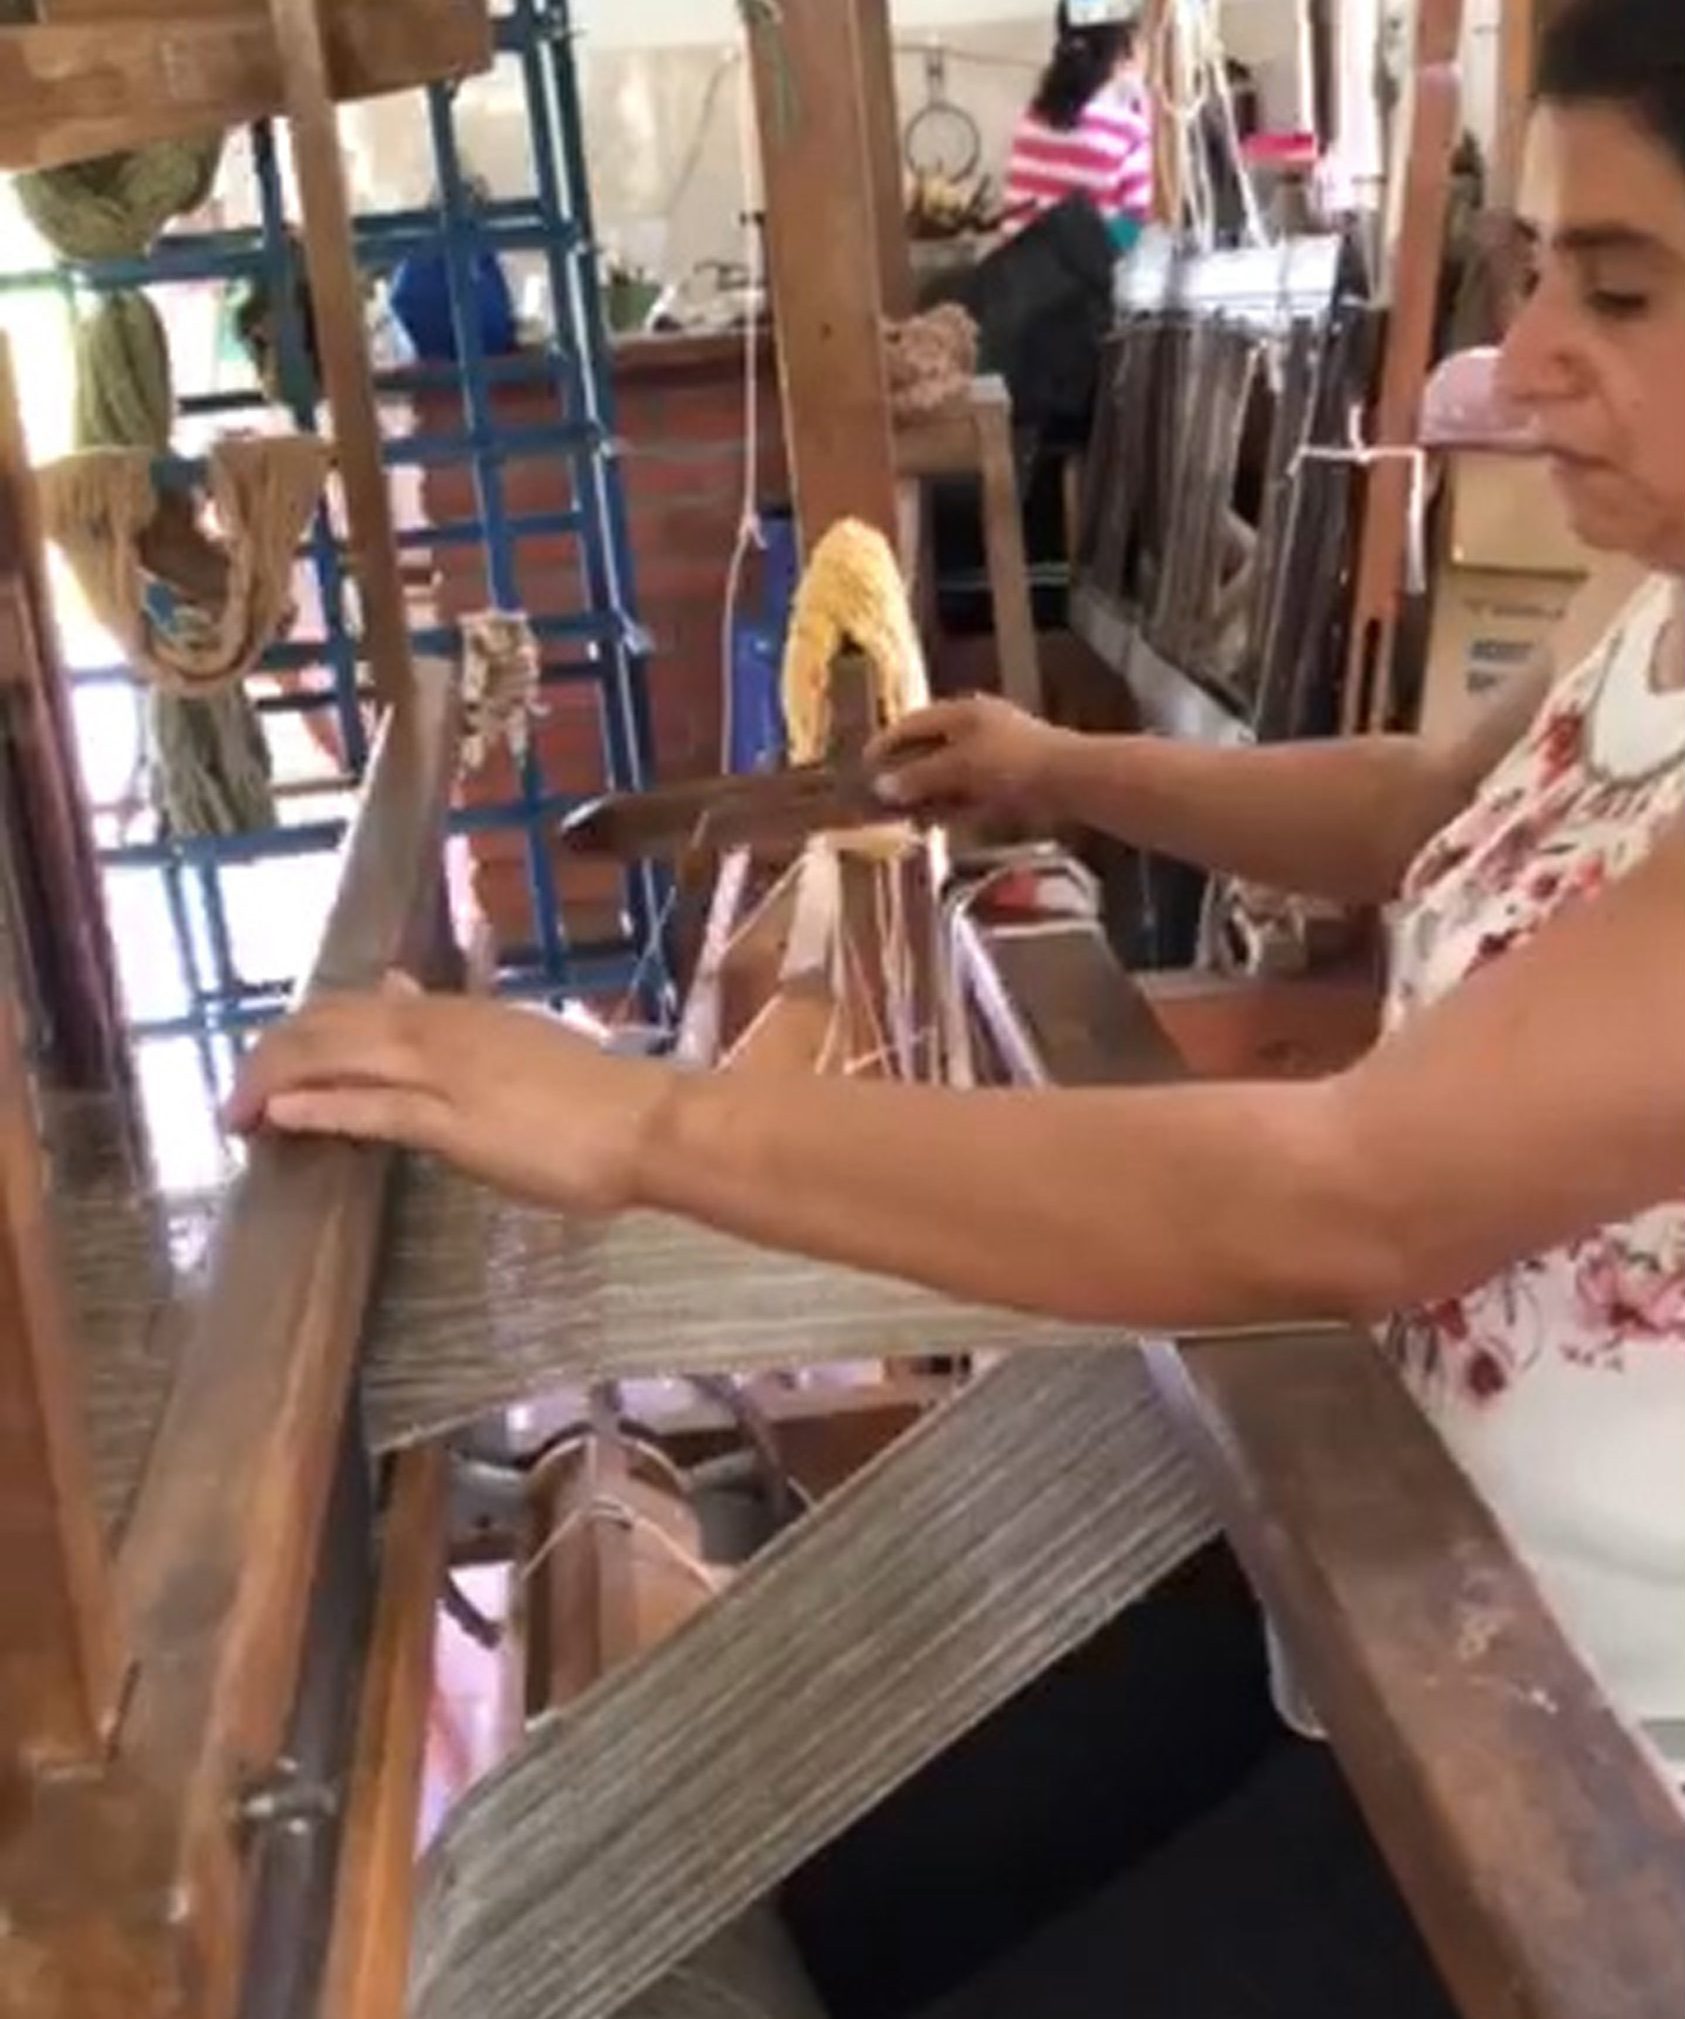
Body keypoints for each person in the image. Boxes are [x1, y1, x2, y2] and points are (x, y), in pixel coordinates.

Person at [232, 0, 1684, 2007]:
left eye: (1615, 290)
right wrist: (1059, 767)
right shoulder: (1661, 601)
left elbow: (1348, 1193)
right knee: (807, 1904)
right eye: (1530, 269)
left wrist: (647, 1128)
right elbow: (1426, 806)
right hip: (1378, 1542)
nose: (1519, 359)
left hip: (1597, 1775)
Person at [1001, 2, 1153, 249]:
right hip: (1089, 284)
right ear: (1126, 53)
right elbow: (1137, 235)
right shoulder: (1128, 133)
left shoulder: (1032, 118)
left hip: (1018, 279)